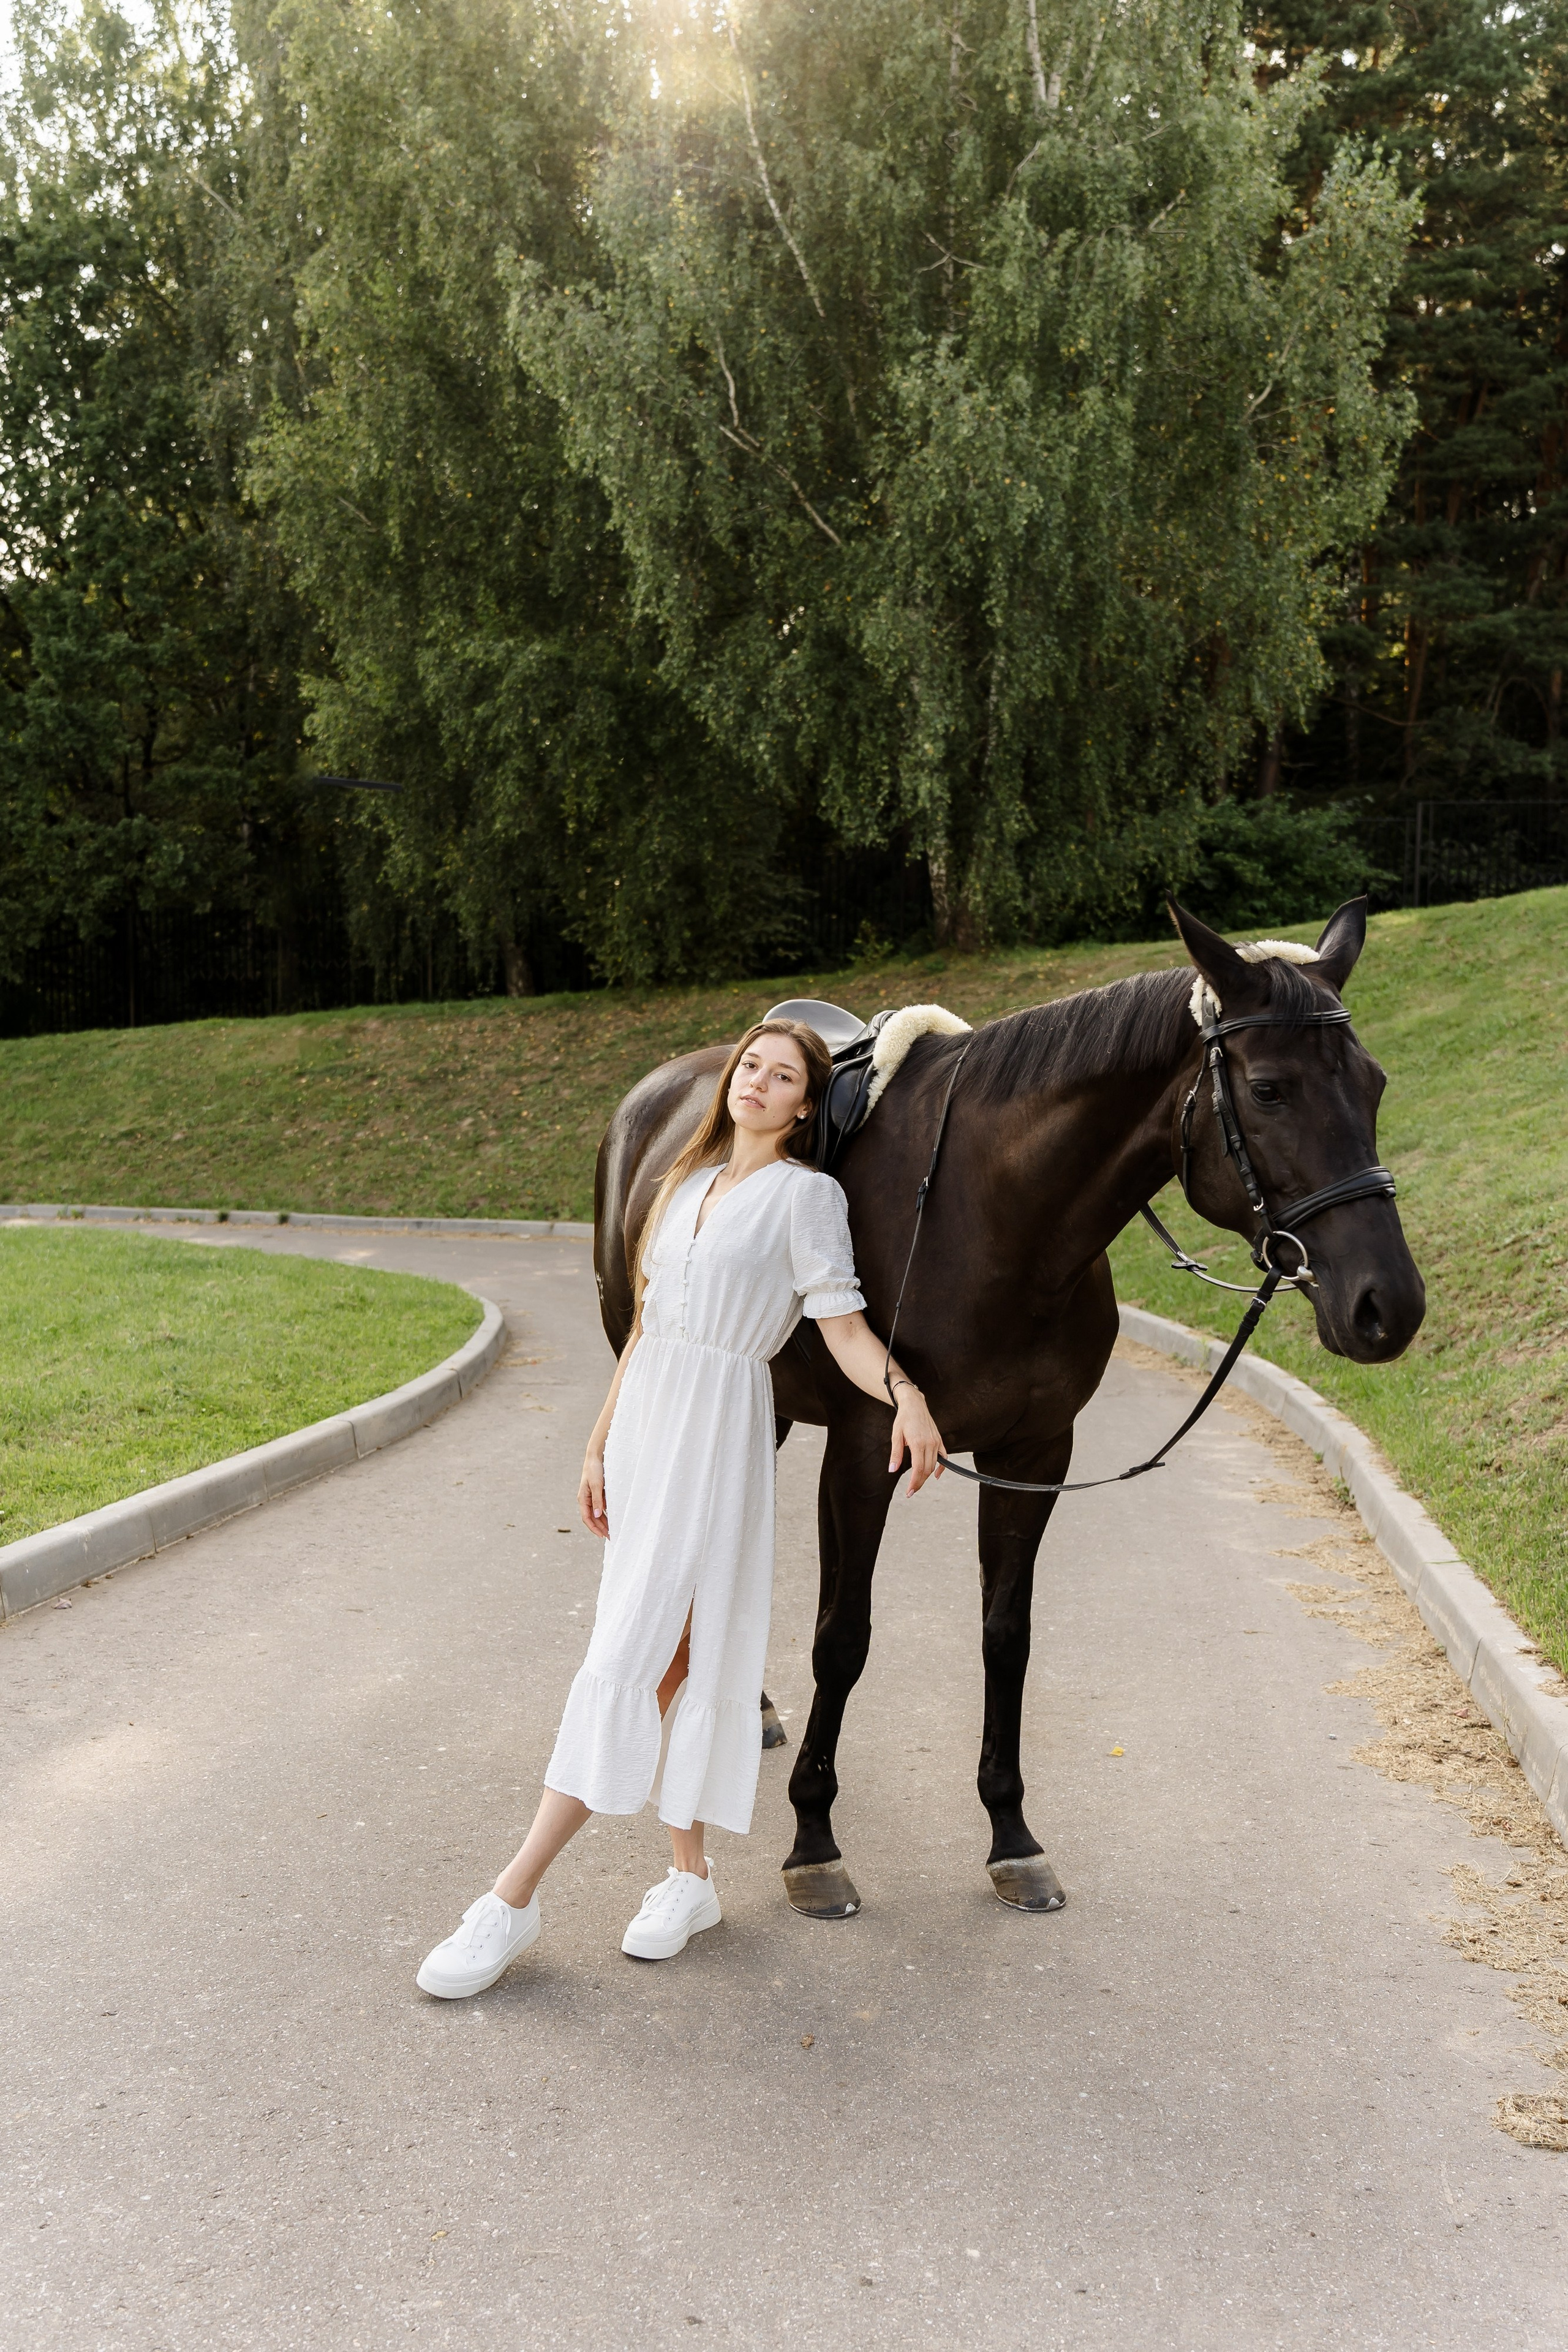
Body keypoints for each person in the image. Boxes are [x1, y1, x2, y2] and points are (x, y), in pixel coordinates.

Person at [417, 1018, 946, 1997]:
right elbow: (645, 1327)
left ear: (804, 1106)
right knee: (678, 1654)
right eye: (751, 1065)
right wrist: (596, 1444)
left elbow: (842, 1329)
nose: (757, 1082)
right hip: (645, 1432)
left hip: (719, 1437)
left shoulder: (807, 1198)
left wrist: (907, 1396)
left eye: (782, 1076)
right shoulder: (682, 1183)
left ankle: (512, 1896)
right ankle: (689, 1879)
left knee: (639, 1655)